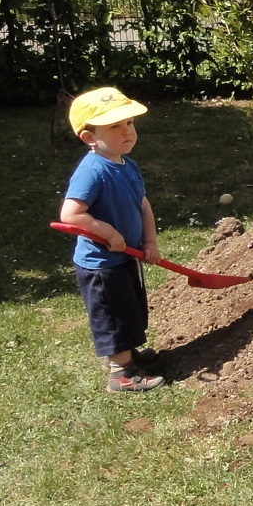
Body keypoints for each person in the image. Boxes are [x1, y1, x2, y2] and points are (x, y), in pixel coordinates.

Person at [58, 87, 164, 394]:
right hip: (101, 266)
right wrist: (109, 233)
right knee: (114, 316)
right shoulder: (92, 171)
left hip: (125, 257)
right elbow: (71, 214)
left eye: (129, 123)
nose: (127, 132)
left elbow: (143, 205)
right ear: (89, 138)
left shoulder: (126, 165)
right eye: (114, 127)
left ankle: (128, 354)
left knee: (131, 310)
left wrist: (150, 241)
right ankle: (121, 373)